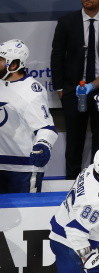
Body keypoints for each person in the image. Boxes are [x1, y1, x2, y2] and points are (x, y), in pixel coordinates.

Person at [50, 0, 99, 179]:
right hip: (73, 90)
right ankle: (72, 181)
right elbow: (57, 55)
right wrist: (60, 87)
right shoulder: (66, 21)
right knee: (74, 139)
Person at [0, 39, 58, 194]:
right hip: (1, 164)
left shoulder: (31, 91)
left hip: (23, 169)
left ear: (13, 65)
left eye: (0, 60)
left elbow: (47, 128)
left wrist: (43, 145)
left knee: (27, 215)